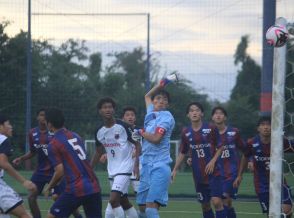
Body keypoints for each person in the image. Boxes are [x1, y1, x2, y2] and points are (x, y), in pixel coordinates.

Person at [43, 108, 102, 218]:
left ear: (49, 124)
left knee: (52, 216)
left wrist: (49, 186)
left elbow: (59, 171)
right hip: (94, 185)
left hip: (78, 188)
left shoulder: (54, 143)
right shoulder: (75, 135)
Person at [171, 102, 226, 218]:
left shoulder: (211, 128)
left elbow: (221, 146)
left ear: (202, 113)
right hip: (198, 175)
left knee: (217, 202)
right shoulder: (186, 132)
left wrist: (212, 161)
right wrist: (175, 169)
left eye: (197, 110)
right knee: (205, 206)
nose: (194, 112)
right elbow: (183, 152)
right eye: (191, 110)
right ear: (188, 115)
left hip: (214, 172)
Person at [234, 116, 293, 217]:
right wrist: (240, 175)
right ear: (258, 128)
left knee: (286, 210)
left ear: (273, 127)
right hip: (261, 185)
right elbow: (245, 156)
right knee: (271, 213)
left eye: (269, 124)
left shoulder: (280, 141)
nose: (266, 127)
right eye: (263, 125)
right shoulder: (252, 143)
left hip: (280, 182)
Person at [135, 74, 176, 218]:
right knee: (141, 207)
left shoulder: (166, 117)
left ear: (167, 104)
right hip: (146, 164)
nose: (160, 100)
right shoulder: (151, 113)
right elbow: (147, 96)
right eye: (158, 98)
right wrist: (163, 83)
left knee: (151, 207)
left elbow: (156, 139)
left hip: (160, 165)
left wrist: (140, 132)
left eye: (164, 99)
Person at [92, 97, 139, 218]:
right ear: (100, 111)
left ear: (114, 110)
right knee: (123, 201)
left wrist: (136, 165)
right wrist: (88, 169)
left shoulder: (124, 126)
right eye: (104, 107)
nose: (107, 109)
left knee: (113, 201)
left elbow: (138, 144)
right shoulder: (99, 131)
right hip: (112, 170)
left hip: (125, 169)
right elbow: (98, 152)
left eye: (110, 107)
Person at [12, 109, 54, 218]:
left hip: (55, 171)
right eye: (41, 115)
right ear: (37, 117)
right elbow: (32, 152)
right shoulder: (32, 133)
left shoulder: (54, 131)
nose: (43, 117)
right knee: (31, 197)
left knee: (60, 197)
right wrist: (21, 158)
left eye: (46, 115)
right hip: (40, 171)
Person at [211, 106, 246, 218]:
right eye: (216, 113)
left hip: (231, 174)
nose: (218, 115)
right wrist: (191, 158)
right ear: (212, 117)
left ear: (225, 117)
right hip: (216, 175)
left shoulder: (234, 132)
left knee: (224, 200)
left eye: (221, 113)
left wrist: (250, 160)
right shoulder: (208, 134)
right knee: (225, 203)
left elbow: (244, 149)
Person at [0, 113, 36, 218]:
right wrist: (24, 181)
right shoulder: (2, 139)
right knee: (25, 214)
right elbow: (3, 164)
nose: (11, 126)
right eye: (8, 123)